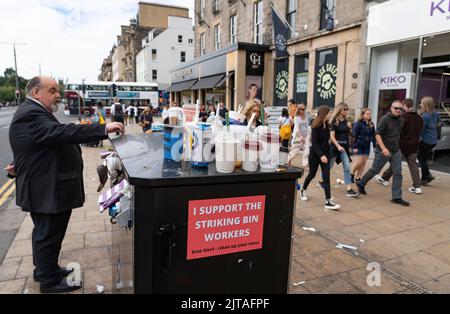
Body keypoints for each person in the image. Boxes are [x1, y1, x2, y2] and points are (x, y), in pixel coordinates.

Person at [7, 76, 124, 293]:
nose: (58, 95)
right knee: (48, 234)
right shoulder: (31, 114)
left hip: (45, 185)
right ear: (36, 93)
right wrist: (102, 128)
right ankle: (48, 281)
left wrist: (18, 163)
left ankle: (44, 269)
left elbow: (34, 144)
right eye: (52, 90)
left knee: (45, 233)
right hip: (45, 188)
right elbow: (60, 133)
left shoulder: (34, 113)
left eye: (57, 90)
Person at [356, 100, 409, 206]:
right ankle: (361, 183)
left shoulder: (401, 120)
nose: (398, 110)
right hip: (383, 150)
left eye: (400, 109)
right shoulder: (385, 119)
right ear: (391, 108)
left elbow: (398, 135)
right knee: (375, 170)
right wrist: (383, 148)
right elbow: (377, 134)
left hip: (396, 151)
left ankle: (397, 197)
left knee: (398, 173)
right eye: (396, 108)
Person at [299, 105, 341, 210]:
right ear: (324, 114)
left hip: (325, 155)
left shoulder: (327, 125)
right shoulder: (315, 125)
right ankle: (303, 190)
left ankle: (328, 200)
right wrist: (321, 155)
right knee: (312, 174)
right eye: (328, 113)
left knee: (326, 177)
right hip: (315, 155)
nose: (330, 114)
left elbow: (327, 142)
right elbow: (314, 143)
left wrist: (327, 154)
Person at [378, 99, 424, 194]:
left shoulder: (403, 117)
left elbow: (399, 131)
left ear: (405, 105)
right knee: (413, 165)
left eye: (401, 107)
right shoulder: (419, 118)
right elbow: (421, 130)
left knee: (396, 163)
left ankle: (384, 178)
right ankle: (417, 187)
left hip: (402, 144)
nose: (400, 109)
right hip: (414, 145)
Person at [327, 103, 359, 197]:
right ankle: (322, 181)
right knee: (329, 166)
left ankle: (349, 189)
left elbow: (351, 135)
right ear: (339, 110)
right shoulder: (334, 121)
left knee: (347, 167)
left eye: (347, 109)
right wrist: (338, 146)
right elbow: (332, 137)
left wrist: (350, 128)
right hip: (335, 147)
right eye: (344, 109)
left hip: (344, 148)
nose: (346, 111)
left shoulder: (347, 121)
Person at [418, 96, 441, 185]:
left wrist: (419, 138)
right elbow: (441, 123)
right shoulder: (435, 114)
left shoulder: (425, 116)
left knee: (421, 158)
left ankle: (425, 178)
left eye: (422, 103)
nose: (420, 104)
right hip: (433, 140)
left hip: (426, 140)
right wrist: (433, 127)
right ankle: (427, 175)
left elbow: (421, 129)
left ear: (425, 104)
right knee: (422, 158)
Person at [351, 108, 376, 183]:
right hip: (358, 145)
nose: (369, 115)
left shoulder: (371, 124)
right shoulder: (358, 123)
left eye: (370, 114)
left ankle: (358, 177)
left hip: (367, 145)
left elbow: (373, 135)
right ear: (363, 115)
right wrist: (354, 146)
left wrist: (374, 145)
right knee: (359, 161)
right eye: (367, 114)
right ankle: (351, 174)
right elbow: (354, 136)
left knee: (364, 162)